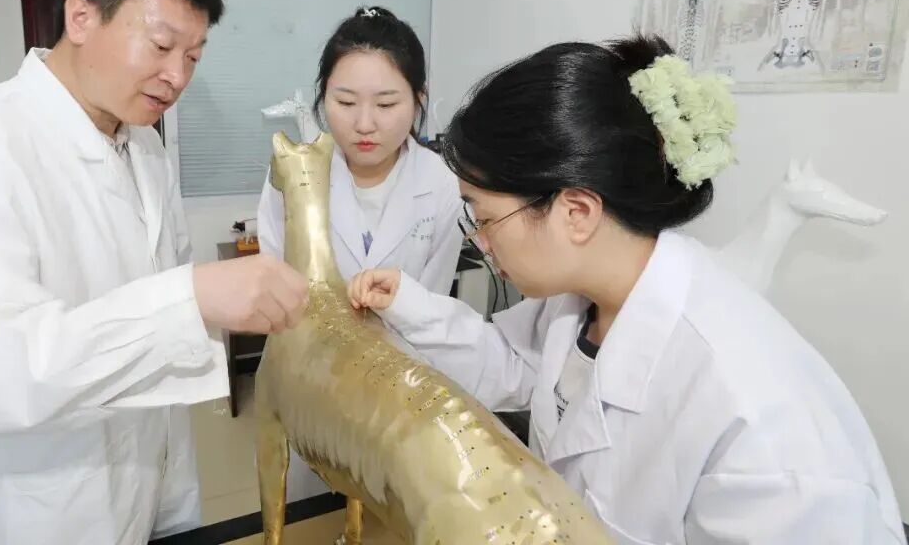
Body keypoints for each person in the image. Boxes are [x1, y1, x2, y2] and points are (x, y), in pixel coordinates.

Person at [348, 35, 906, 544]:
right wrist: (409, 305)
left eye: (485, 217)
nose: (481, 241)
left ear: (576, 212)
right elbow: (515, 366)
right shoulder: (579, 302)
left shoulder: (760, 423)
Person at [0, 0, 309, 545]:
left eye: (193, 57)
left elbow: (160, 299)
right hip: (39, 509)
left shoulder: (146, 149)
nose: (178, 76)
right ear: (81, 18)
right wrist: (188, 299)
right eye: (160, 46)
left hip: (150, 477)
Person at [256, 5, 463, 501]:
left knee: (392, 507)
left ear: (418, 101)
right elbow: (277, 287)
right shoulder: (295, 171)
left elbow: (429, 306)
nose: (364, 124)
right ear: (322, 96)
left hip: (401, 389)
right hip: (312, 386)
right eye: (345, 101)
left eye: (387, 103)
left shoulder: (440, 184)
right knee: (315, 508)